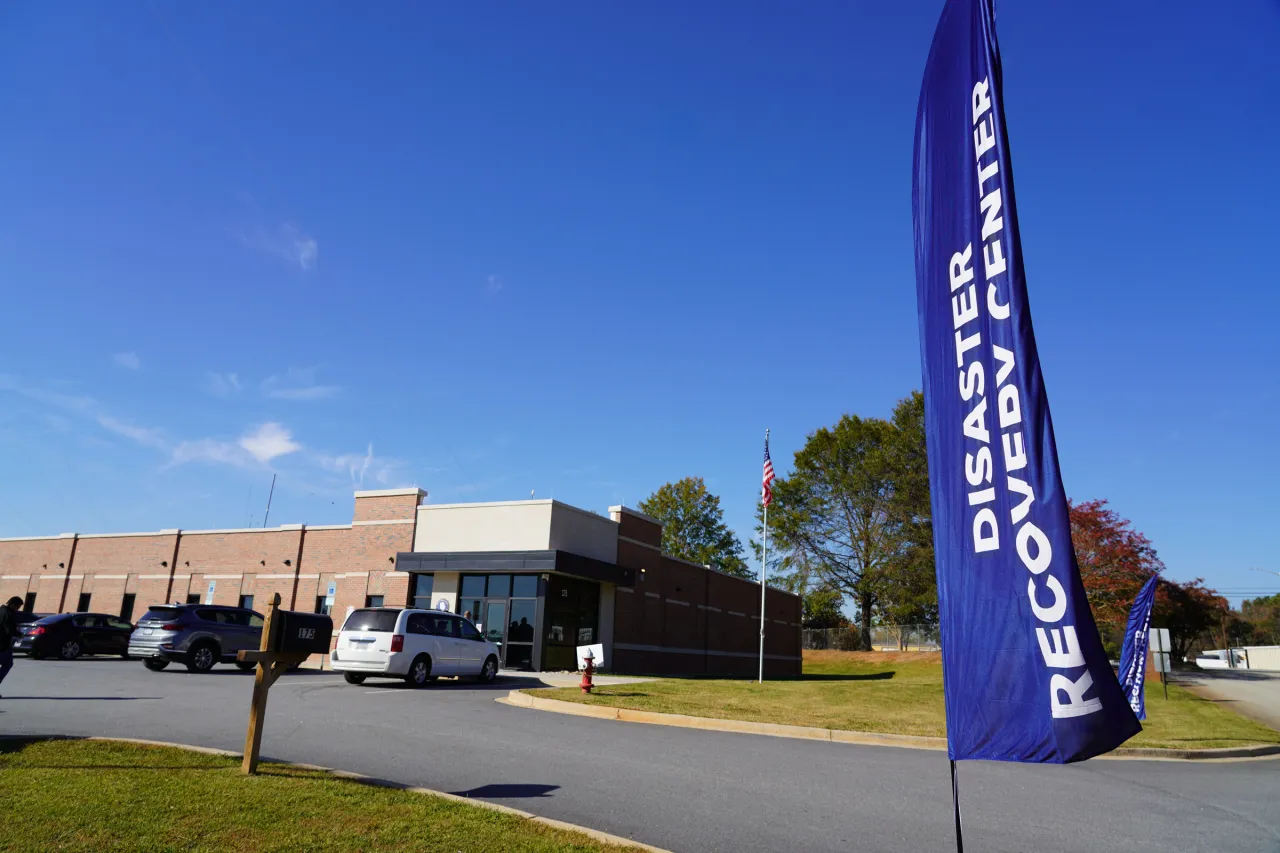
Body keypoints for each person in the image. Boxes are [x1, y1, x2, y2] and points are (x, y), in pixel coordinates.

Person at [0, 596, 23, 696]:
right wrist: (19, 634)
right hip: (2, 644)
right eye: (17, 607)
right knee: (7, 664)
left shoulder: (1, 610)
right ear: (13, 604)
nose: (17, 609)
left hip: (4, 644)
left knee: (8, 663)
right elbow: (8, 629)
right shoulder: (8, 614)